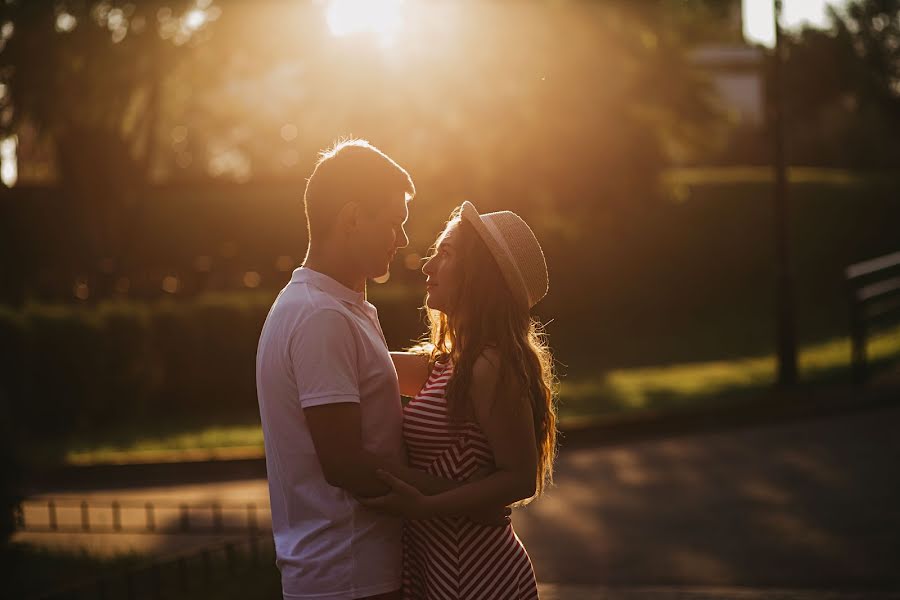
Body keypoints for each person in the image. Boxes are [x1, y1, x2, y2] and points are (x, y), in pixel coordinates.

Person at [256, 139, 475, 600]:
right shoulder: (321, 316)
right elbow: (345, 464)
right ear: (353, 218)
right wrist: (465, 502)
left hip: (352, 572)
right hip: (347, 576)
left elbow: (396, 376)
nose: (403, 239)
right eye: (394, 222)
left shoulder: (338, 307)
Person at [362, 201, 558, 599]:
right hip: (442, 567)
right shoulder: (449, 363)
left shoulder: (490, 365)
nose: (427, 266)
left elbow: (520, 477)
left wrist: (426, 508)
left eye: (446, 253)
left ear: (480, 275)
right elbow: (361, 359)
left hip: (478, 573)